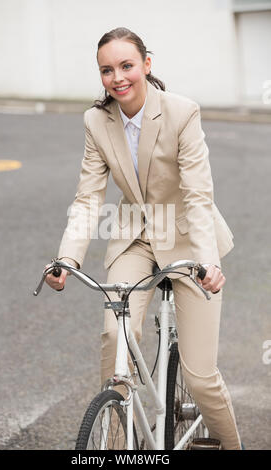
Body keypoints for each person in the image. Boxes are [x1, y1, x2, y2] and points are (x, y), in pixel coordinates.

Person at [46, 27, 242, 450]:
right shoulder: (96, 121)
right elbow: (87, 198)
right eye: (107, 70)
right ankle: (115, 447)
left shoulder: (181, 111)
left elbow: (197, 195)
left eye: (126, 66)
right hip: (134, 237)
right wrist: (66, 259)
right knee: (116, 344)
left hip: (189, 237)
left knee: (200, 378)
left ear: (146, 65)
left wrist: (210, 262)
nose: (118, 77)